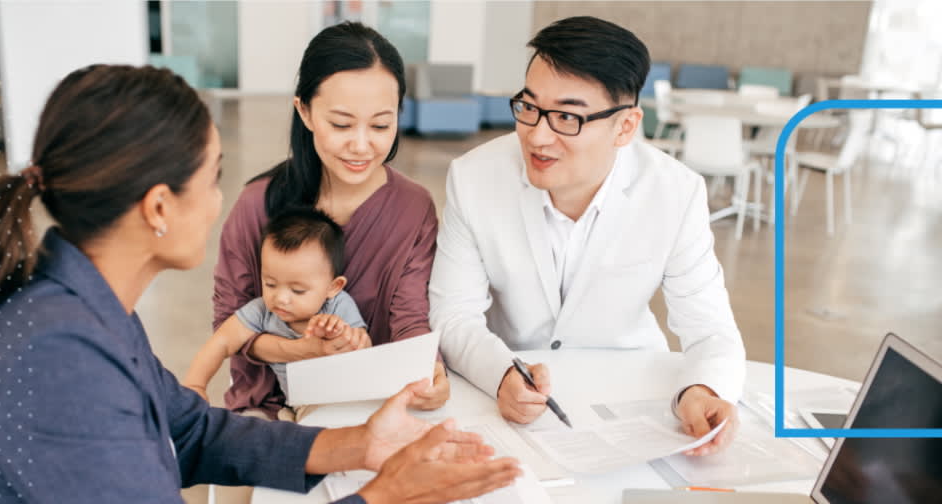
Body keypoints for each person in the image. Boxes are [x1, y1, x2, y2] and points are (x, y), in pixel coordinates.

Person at [0, 64, 520, 504]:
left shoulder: (80, 309)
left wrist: (359, 444)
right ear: (158, 207)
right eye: (212, 178)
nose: (219, 202)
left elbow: (192, 431)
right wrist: (383, 498)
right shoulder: (58, 358)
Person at [429, 16, 745, 455]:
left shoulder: (675, 192)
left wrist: (703, 389)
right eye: (529, 107)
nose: (537, 136)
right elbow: (453, 314)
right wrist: (501, 373)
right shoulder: (473, 177)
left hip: (632, 390)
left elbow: (710, 329)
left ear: (626, 127)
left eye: (566, 117)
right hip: (518, 392)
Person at [215, 22, 449, 419]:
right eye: (341, 124)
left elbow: (409, 317)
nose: (361, 145)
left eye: (380, 125)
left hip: (369, 399)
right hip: (270, 403)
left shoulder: (414, 207)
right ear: (304, 112)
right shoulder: (258, 204)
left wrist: (430, 367)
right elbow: (230, 325)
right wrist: (305, 351)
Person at [184, 208, 369, 404]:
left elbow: (366, 350)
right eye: (270, 284)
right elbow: (221, 342)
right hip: (303, 407)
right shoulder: (261, 311)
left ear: (333, 287)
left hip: (351, 398)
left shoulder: (337, 306)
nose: (280, 298)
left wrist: (341, 334)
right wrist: (195, 384)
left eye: (297, 290)